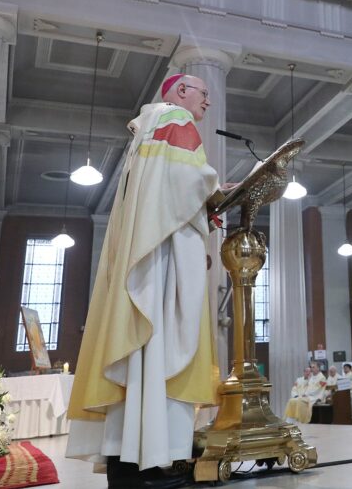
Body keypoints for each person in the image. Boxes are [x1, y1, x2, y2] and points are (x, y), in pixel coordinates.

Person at [66, 73, 223, 489]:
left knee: (142, 355)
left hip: (145, 252)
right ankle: (157, 458)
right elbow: (189, 181)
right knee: (163, 343)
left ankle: (130, 454)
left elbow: (164, 192)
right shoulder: (176, 119)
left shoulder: (146, 129)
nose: (208, 102)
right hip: (163, 257)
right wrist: (219, 191)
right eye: (204, 94)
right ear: (181, 92)